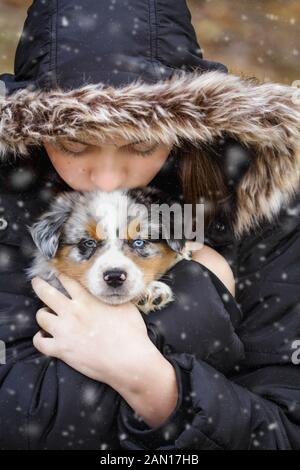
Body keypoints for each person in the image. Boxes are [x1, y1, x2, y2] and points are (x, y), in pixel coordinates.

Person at [0, 0, 299, 450]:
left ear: (185, 125)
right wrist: (196, 298)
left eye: (139, 146)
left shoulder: (261, 205)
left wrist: (155, 384)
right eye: (75, 145)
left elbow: (285, 430)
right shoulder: (10, 193)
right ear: (33, 126)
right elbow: (15, 418)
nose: (105, 178)